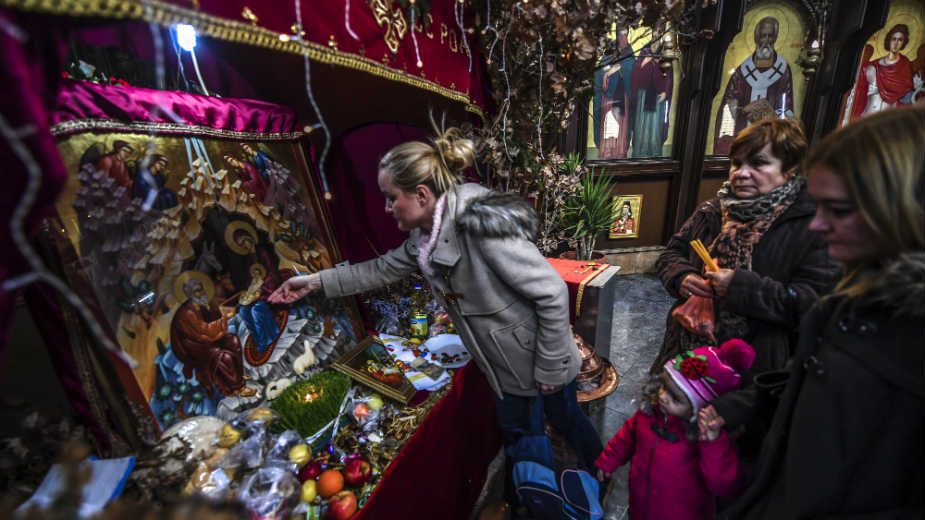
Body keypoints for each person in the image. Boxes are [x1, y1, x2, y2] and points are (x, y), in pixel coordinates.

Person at [268, 122, 603, 510]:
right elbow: (377, 270)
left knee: (564, 423)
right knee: (522, 442)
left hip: (536, 362)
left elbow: (550, 292)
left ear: (422, 195)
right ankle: (528, 501)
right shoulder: (425, 235)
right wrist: (313, 282)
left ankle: (597, 475)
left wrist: (546, 368)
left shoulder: (479, 226)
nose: (387, 207)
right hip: (504, 368)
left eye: (391, 197)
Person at [718, 105, 925, 519]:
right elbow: (803, 396)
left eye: (840, 210)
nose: (818, 224)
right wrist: (730, 408)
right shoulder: (853, 301)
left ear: (905, 210)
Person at [652, 118, 839, 458]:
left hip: (754, 370)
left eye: (759, 163)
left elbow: (814, 304)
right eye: (737, 163)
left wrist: (741, 287)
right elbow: (672, 253)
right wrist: (681, 277)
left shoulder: (812, 224)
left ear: (790, 168)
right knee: (671, 447)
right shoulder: (714, 210)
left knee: (723, 461)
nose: (741, 173)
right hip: (687, 352)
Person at [596, 339, 755, 520]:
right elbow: (628, 436)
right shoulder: (650, 413)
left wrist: (713, 445)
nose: (662, 397)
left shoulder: (708, 441)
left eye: (676, 398)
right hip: (640, 505)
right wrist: (609, 460)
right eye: (663, 386)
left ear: (700, 407)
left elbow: (725, 485)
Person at [714, 17, 795, 155]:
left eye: (771, 36)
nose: (767, 40)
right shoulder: (742, 71)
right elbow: (728, 107)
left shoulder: (782, 70)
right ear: (756, 37)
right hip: (742, 138)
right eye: (763, 35)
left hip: (768, 142)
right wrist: (743, 110)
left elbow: (787, 109)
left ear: (776, 38)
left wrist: (769, 115)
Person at [169, 276, 256, 398]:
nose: (202, 293)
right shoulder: (187, 312)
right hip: (193, 347)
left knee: (233, 340)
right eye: (197, 291)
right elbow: (203, 331)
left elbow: (211, 320)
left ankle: (239, 376)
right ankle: (235, 388)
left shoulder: (201, 304)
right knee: (223, 356)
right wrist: (224, 319)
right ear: (190, 295)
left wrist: (221, 313)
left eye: (201, 289)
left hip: (207, 340)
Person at [849, 24, 918, 119]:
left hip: (888, 120)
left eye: (900, 40)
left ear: (904, 42)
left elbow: (907, 95)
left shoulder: (904, 65)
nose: (896, 43)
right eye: (894, 39)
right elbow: (858, 95)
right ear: (889, 40)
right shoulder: (872, 66)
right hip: (868, 116)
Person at [593, 27, 635, 159]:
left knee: (621, 125)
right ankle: (607, 153)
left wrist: (619, 68)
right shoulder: (610, 50)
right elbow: (601, 70)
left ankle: (620, 152)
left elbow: (632, 69)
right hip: (610, 97)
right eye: (620, 35)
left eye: (625, 34)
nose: (623, 38)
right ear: (616, 35)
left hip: (623, 96)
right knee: (609, 124)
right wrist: (610, 71)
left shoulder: (629, 51)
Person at [629, 36, 672, 157]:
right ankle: (639, 152)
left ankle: (654, 153)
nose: (656, 41)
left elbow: (669, 74)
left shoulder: (665, 53)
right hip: (644, 94)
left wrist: (665, 92)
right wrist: (644, 62)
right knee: (641, 124)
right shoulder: (644, 51)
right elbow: (636, 70)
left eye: (659, 36)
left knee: (655, 125)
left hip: (658, 94)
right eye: (654, 35)